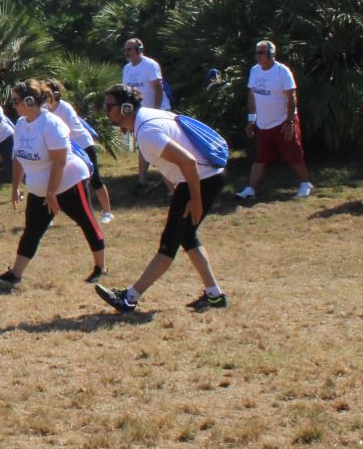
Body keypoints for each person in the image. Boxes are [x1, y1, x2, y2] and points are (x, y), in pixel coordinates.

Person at [95, 84, 230, 313]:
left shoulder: (147, 131)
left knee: (169, 243)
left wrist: (195, 199)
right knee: (186, 236)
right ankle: (214, 295)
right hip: (199, 180)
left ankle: (129, 298)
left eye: (109, 107)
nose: (105, 111)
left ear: (126, 108)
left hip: (200, 180)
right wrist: (178, 190)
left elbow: (188, 161)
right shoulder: (146, 121)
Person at [0, 80, 106, 290]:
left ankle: (100, 268)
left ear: (30, 101)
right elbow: (18, 158)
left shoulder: (51, 124)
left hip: (68, 182)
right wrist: (16, 187)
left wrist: (52, 193)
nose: (13, 106)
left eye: (16, 101)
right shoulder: (22, 124)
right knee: (32, 230)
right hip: (40, 188)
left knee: (86, 222)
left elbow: (59, 161)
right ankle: (15, 274)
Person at [237, 40, 313, 200]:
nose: (257, 56)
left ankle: (305, 183)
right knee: (260, 157)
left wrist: (290, 121)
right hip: (263, 123)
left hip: (282, 121)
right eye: (256, 52)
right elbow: (252, 96)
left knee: (293, 154)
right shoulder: (254, 71)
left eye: (261, 53)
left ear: (271, 54)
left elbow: (291, 97)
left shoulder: (281, 71)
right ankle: (250, 189)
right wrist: (252, 119)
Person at [46, 79, 114, 224]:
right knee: (56, 180)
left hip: (82, 145)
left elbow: (67, 130)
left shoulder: (65, 108)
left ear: (55, 94)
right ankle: (51, 216)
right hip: (66, 148)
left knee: (95, 179)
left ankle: (107, 212)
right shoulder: (44, 110)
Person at [121, 38, 170, 185]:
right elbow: (126, 93)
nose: (127, 52)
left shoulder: (150, 65)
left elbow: (158, 88)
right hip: (140, 115)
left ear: (139, 50)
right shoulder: (127, 68)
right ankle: (142, 180)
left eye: (129, 49)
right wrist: (125, 116)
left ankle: (168, 176)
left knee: (162, 145)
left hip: (157, 111)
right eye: (125, 50)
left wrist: (155, 110)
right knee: (143, 145)